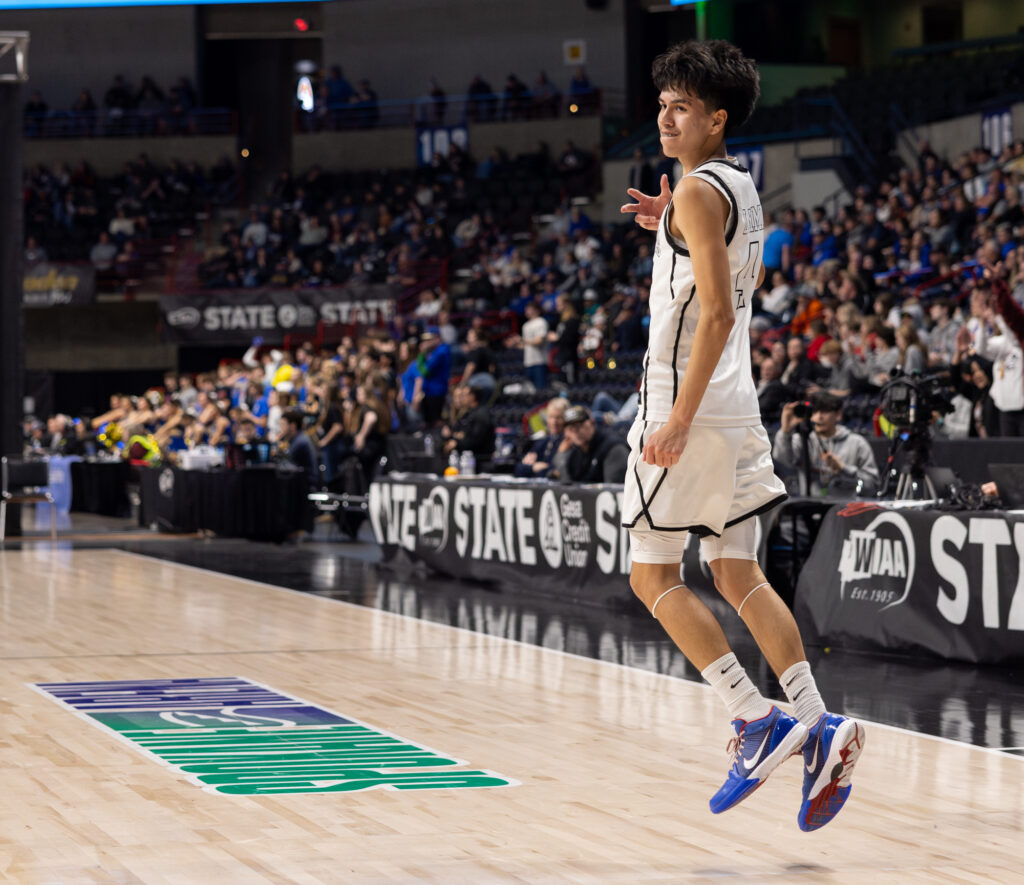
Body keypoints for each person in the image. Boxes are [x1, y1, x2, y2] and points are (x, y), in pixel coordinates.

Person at [619, 40, 864, 831]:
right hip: (740, 405)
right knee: (735, 569)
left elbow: (717, 315)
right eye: (663, 102)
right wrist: (672, 226)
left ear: (715, 118)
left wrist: (677, 420)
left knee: (651, 577)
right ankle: (816, 722)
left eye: (681, 106)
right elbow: (713, 261)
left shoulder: (697, 189)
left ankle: (752, 717)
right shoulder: (735, 185)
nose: (665, 113)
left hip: (686, 403)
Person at [773, 393, 880, 496]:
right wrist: (785, 432)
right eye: (814, 412)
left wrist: (843, 468)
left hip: (846, 508)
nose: (819, 417)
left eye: (825, 411)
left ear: (838, 414)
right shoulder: (803, 440)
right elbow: (784, 460)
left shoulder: (857, 443)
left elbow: (872, 485)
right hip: (809, 506)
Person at [558, 405, 629, 484]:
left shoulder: (612, 448)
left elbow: (614, 490)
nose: (576, 432)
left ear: (592, 422)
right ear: (566, 433)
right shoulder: (575, 452)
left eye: (579, 426)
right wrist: (562, 456)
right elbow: (567, 486)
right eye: (571, 428)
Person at [515, 397, 570, 478]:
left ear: (566, 419)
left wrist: (536, 469)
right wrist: (534, 467)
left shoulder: (569, 441)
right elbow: (518, 469)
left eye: (558, 417)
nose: (554, 422)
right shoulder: (544, 441)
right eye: (551, 417)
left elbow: (558, 472)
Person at [280, 409, 319, 489]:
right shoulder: (297, 439)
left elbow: (288, 463)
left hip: (306, 484)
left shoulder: (300, 441)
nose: (281, 428)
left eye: (283, 425)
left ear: (293, 426)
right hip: (300, 481)